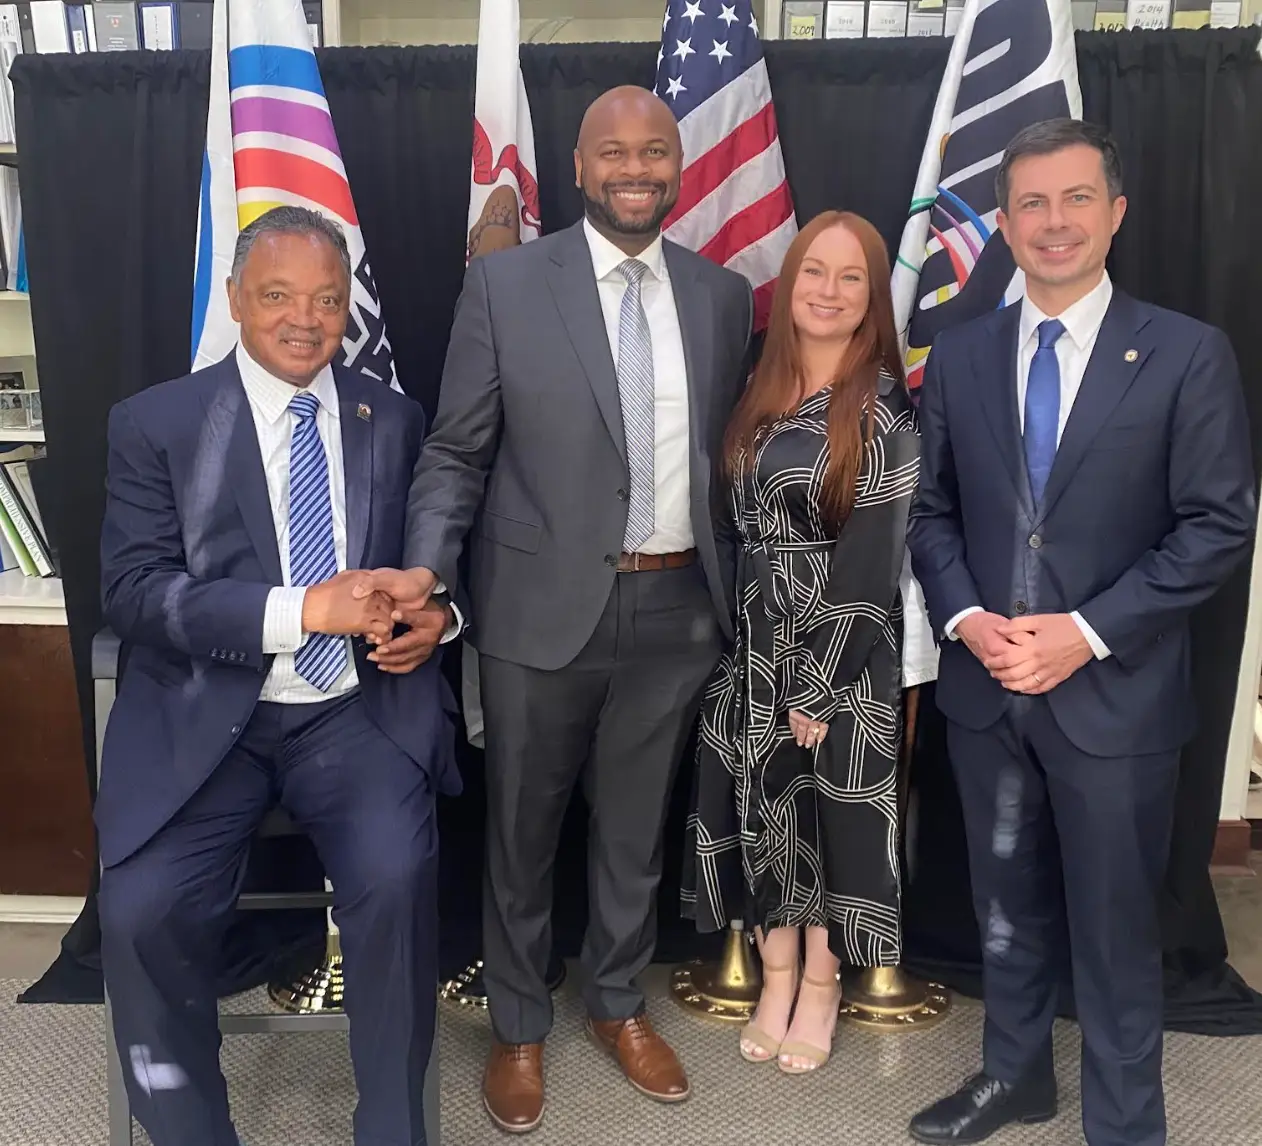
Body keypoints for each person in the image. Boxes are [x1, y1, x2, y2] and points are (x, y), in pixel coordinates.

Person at [357, 86, 754, 1134]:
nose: (635, 169)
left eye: (654, 151)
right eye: (613, 152)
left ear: (678, 166)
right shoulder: (505, 287)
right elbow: (455, 453)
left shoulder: (722, 296)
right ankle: (519, 1023)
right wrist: (428, 575)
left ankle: (617, 1002)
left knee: (633, 831)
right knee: (521, 831)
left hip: (678, 609)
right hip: (536, 610)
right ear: (578, 169)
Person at [907, 119, 1255, 1146]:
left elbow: (1217, 525)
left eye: (1074, 199)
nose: (1052, 221)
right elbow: (929, 512)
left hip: (1115, 698)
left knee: (1113, 929)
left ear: (1115, 212)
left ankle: (1124, 1123)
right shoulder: (960, 354)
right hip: (986, 696)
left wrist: (1086, 633)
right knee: (1002, 912)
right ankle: (1013, 1079)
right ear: (1004, 222)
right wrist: (966, 620)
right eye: (1031, 203)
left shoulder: (1186, 353)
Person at [95, 205, 461, 1146]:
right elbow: (134, 593)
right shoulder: (156, 423)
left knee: (398, 880)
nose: (306, 320)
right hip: (206, 722)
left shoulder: (393, 418)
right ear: (233, 300)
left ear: (348, 309)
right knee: (140, 914)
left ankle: (392, 1131)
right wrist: (302, 612)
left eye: (328, 301)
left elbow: (432, 564)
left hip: (352, 712)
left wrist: (439, 616)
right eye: (277, 297)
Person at [682, 210, 920, 1074]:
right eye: (814, 271)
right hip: (750, 644)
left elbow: (873, 560)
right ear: (788, 284)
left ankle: (820, 986)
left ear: (873, 296)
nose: (829, 290)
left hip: (839, 653)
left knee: (828, 823)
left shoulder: (883, 408)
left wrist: (817, 686)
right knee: (759, 815)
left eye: (851, 277)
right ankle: (773, 978)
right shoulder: (757, 384)